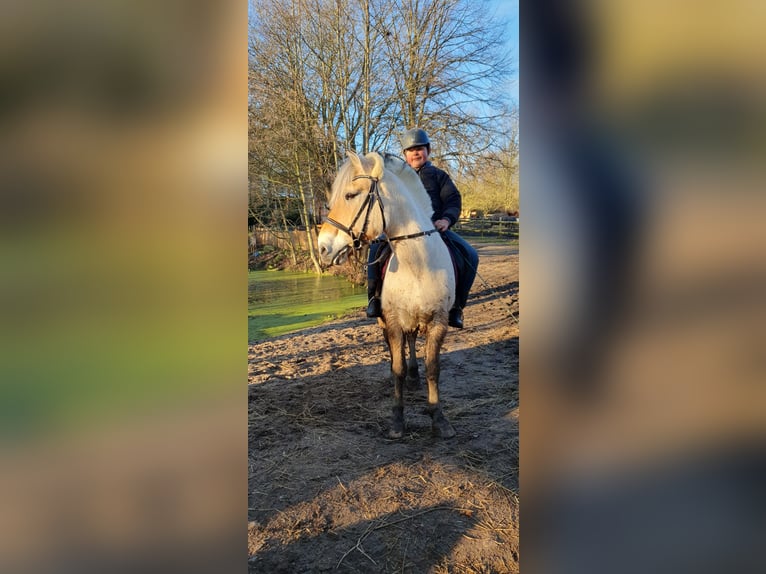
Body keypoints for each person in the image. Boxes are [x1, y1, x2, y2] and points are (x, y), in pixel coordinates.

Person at [366, 128, 479, 329]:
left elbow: (453, 200)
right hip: (400, 232)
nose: (416, 153)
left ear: (428, 150)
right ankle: (374, 299)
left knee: (470, 255)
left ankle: (457, 308)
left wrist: (446, 219)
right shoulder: (395, 179)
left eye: (420, 148)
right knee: (374, 251)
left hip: (436, 230)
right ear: (405, 155)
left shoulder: (439, 176)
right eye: (411, 150)